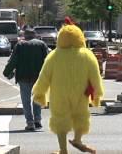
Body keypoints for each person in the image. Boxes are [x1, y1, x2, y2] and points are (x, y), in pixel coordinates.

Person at [32, 22, 104, 154]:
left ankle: (63, 150)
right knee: (81, 115)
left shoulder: (54, 56)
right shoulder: (87, 55)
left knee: (60, 119)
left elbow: (44, 77)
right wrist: (97, 94)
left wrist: (39, 93)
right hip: (81, 94)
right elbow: (95, 76)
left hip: (59, 95)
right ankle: (77, 139)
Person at [3, 29, 48, 131]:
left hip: (23, 77)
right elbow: (47, 60)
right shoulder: (41, 44)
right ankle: (37, 120)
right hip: (38, 77)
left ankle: (30, 122)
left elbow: (13, 60)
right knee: (37, 98)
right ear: (35, 35)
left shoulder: (20, 45)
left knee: (26, 101)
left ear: (25, 36)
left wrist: (6, 72)